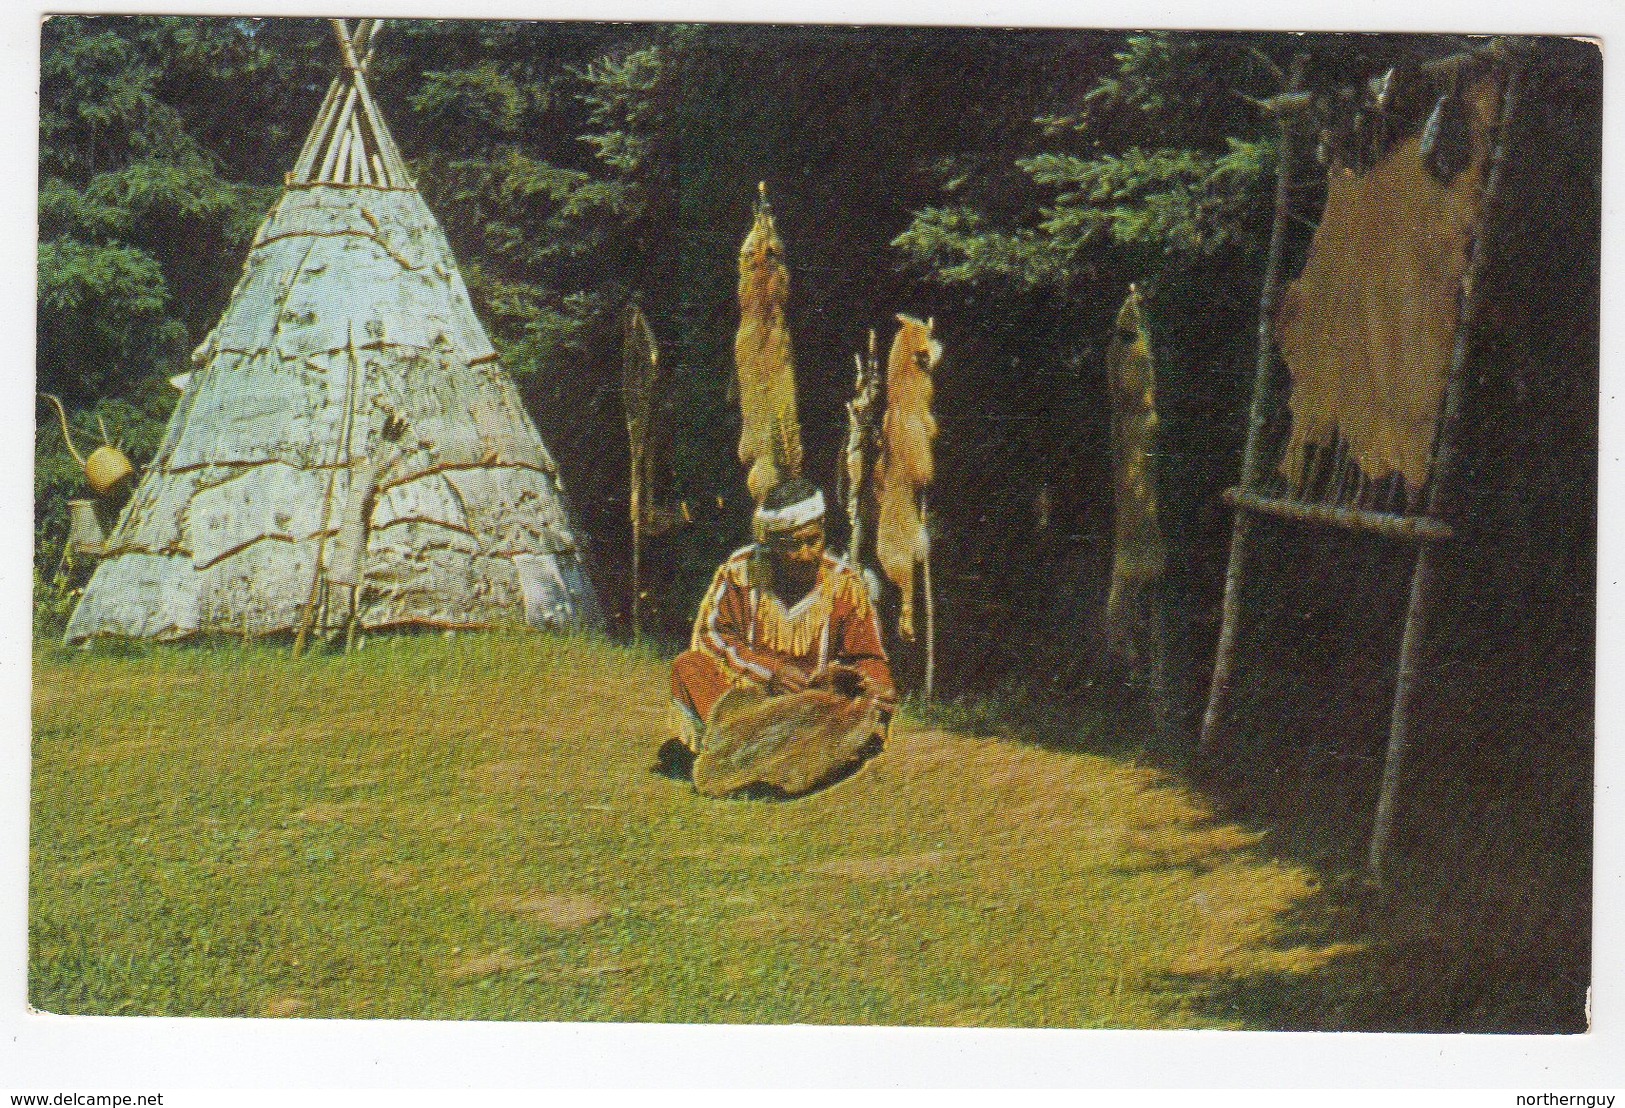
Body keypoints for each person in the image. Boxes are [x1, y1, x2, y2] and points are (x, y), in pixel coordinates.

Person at [663, 478, 896, 778]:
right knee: (689, 666)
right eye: (792, 545)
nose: (806, 554)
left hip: (812, 710)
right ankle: (757, 752)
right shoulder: (741, 571)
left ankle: (759, 757)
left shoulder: (844, 585)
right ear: (770, 545)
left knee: (858, 705)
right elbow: (711, 636)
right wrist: (770, 672)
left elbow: (869, 657)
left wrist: (874, 684)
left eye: (813, 540)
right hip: (748, 704)